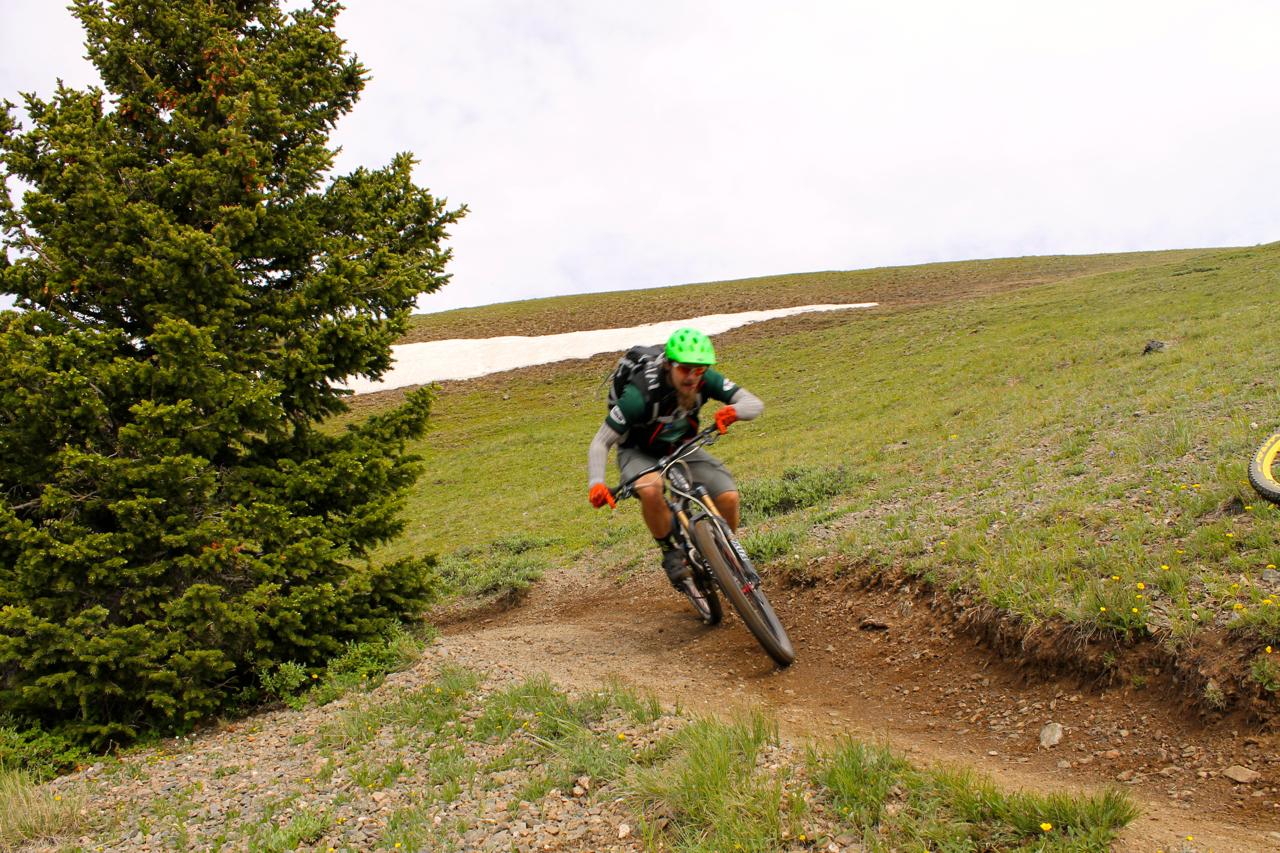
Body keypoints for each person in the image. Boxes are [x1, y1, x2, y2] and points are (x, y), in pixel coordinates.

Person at [587, 327, 763, 586]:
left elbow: (754, 404)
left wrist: (734, 411)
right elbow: (601, 442)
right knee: (650, 488)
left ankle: (719, 559)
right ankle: (669, 551)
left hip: (682, 446)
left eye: (699, 369)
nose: (692, 377)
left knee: (728, 497)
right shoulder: (640, 393)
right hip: (638, 451)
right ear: (669, 365)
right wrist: (597, 484)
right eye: (684, 369)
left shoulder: (705, 379)